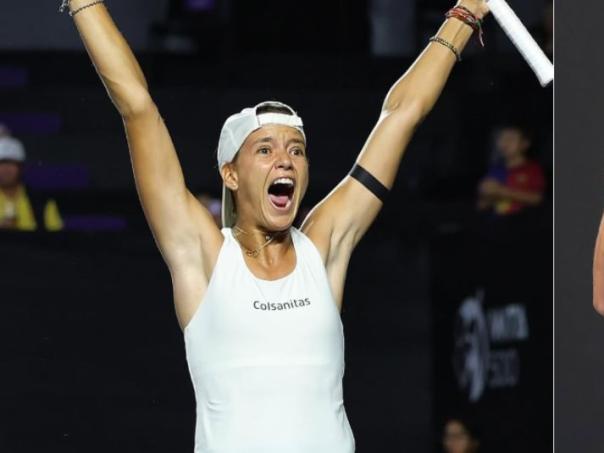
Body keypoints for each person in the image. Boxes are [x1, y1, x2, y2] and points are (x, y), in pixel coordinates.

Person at [61, 0, 490, 451]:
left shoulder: (322, 248)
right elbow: (137, 106)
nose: (285, 159)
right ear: (230, 174)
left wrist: (466, 12)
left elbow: (400, 114)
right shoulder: (204, 256)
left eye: (296, 150)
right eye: (265, 149)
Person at [0, 125, 63, 231]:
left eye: (11, 163)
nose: (6, 170)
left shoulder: (42, 202)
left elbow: (57, 238)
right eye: (1, 164)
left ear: (21, 167)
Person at [477, 125, 546, 217]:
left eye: (510, 139)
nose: (504, 143)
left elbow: (537, 199)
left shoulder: (533, 169)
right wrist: (486, 196)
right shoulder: (495, 169)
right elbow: (482, 206)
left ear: (525, 144)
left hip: (522, 220)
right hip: (496, 220)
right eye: (501, 138)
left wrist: (501, 191)